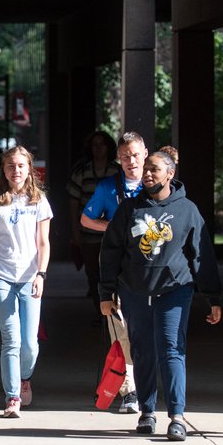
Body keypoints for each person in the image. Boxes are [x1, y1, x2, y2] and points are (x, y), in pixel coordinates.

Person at [98, 150, 221, 442]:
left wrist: (213, 296)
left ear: (170, 174)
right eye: (146, 170)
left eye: (155, 169)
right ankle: (147, 412)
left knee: (172, 350)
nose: (148, 174)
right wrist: (106, 292)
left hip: (174, 291)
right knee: (142, 352)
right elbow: (110, 252)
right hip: (134, 292)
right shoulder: (129, 209)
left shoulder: (187, 209)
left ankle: (177, 416)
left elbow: (201, 255)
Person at [0, 146, 53, 418]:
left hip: (30, 277)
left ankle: (25, 378)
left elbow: (43, 243)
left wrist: (41, 274)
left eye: (21, 165)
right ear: (4, 170)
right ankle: (12, 397)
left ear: (29, 169)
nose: (16, 171)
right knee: (11, 339)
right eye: (10, 166)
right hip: (1, 277)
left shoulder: (39, 201)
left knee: (30, 342)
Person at [81, 131, 149, 413]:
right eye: (125, 156)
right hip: (117, 270)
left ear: (145, 153)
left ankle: (151, 387)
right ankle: (129, 392)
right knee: (122, 333)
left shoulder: (156, 183)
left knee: (152, 333)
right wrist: (112, 228)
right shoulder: (109, 187)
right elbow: (86, 218)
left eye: (135, 154)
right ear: (118, 159)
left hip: (152, 271)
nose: (131, 160)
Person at [68, 131, 120, 311]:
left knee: (114, 272)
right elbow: (73, 204)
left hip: (113, 235)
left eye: (102, 144)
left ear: (108, 148)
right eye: (95, 144)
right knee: (92, 274)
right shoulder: (82, 172)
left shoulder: (117, 171)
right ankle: (99, 312)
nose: (98, 148)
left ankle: (113, 310)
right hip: (88, 235)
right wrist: (75, 233)